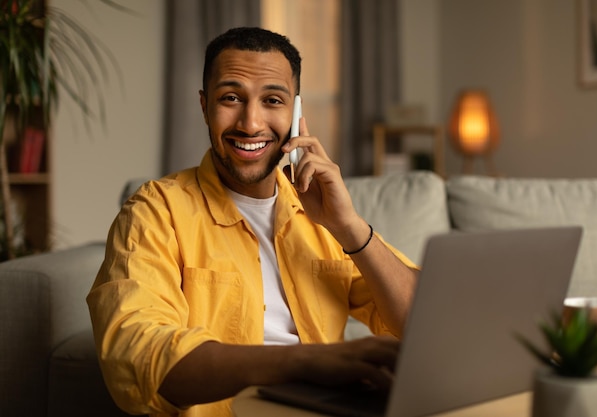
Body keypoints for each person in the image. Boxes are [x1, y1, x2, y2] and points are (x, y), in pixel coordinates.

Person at [87, 26, 418, 417]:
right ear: (204, 106)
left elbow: (424, 325)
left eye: (272, 100)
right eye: (231, 98)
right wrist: (304, 363)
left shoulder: (324, 217)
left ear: (295, 113)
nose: (251, 123)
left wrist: (348, 227)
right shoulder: (155, 211)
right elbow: (140, 357)